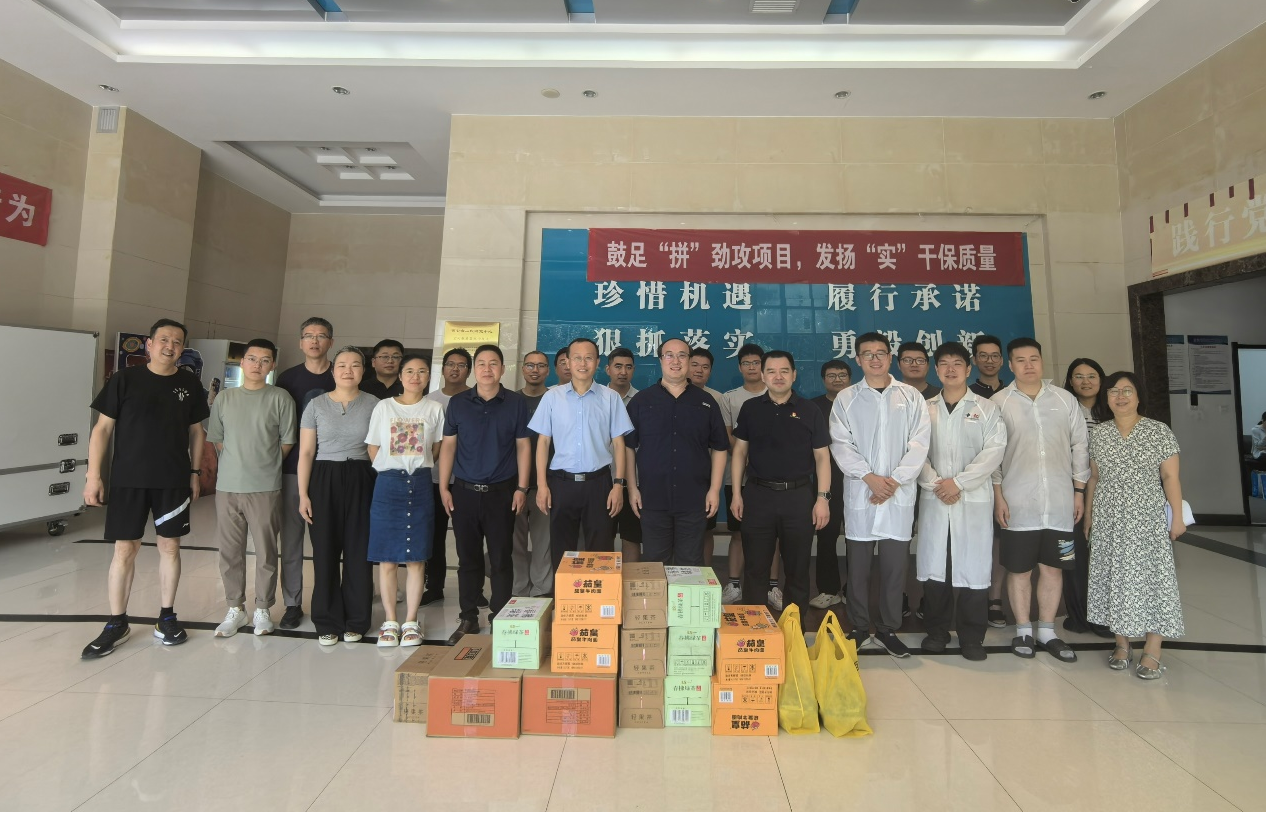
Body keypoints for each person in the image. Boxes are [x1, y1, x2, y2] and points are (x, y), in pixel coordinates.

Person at [81, 319, 209, 659]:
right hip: (128, 479)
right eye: (164, 339)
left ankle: (166, 617)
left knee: (170, 547)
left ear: (183, 349)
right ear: (149, 344)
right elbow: (102, 430)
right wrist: (93, 475)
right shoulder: (124, 380)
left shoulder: (189, 384)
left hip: (172, 480)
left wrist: (195, 473)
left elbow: (197, 432)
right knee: (125, 550)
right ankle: (117, 623)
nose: (170, 346)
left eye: (177, 342)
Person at [830, 332, 930, 658]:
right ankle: (859, 627)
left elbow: (920, 443)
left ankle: (888, 629)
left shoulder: (911, 396)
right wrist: (869, 478)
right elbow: (841, 443)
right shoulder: (846, 398)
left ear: (890, 358)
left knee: (894, 569)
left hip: (897, 496)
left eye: (881, 353)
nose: (875, 359)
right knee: (858, 569)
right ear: (858, 359)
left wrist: (894, 481)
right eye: (867, 354)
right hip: (862, 493)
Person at [992, 337, 1089, 663]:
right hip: (1017, 502)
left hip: (1060, 502)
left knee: (1053, 569)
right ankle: (1023, 629)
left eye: (1034, 358)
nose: (1028, 365)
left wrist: (1078, 492)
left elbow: (1080, 446)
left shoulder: (1064, 399)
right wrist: (998, 496)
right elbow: (993, 455)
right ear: (1010, 365)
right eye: (1020, 360)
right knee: (1019, 570)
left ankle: (1047, 631)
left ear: (1042, 361)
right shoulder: (999, 402)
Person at [1085, 372, 1186, 680]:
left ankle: (1153, 648)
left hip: (1147, 519)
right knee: (1113, 577)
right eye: (1113, 391)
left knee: (1154, 578)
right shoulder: (1100, 434)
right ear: (1106, 398)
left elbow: (1170, 477)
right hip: (1109, 518)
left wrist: (1177, 516)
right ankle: (1122, 643)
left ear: (1139, 396)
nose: (1120, 396)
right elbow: (1094, 478)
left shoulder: (1158, 431)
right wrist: (1089, 516)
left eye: (1127, 390)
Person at [916, 342, 1007, 662]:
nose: (950, 369)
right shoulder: (923, 408)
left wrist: (959, 483)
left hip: (972, 499)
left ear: (969, 369)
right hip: (936, 498)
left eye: (957, 363)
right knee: (935, 569)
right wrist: (937, 484)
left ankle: (972, 637)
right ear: (936, 370)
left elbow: (994, 451)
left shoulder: (987, 408)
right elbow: (914, 452)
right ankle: (937, 632)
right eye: (944, 363)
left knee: (974, 569)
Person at [730, 350, 831, 626]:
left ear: (794, 375)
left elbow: (822, 457)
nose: (778, 376)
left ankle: (794, 630)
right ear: (763, 376)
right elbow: (739, 452)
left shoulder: (810, 410)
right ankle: (755, 629)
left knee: (797, 569)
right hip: (758, 496)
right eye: (771, 371)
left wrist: (822, 498)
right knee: (755, 568)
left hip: (798, 498)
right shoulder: (751, 408)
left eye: (784, 371)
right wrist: (737, 493)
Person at [439, 344, 531, 644]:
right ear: (473, 369)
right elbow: (449, 446)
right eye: (481, 363)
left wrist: (522, 488)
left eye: (493, 363)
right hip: (464, 491)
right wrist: (444, 486)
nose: (487, 369)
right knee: (467, 558)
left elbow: (523, 446)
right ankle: (468, 617)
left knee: (501, 557)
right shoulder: (458, 403)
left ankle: (499, 614)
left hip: (502, 492)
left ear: (503, 369)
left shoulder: (516, 403)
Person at [207, 339, 295, 638]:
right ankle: (235, 608)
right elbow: (219, 440)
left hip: (265, 487)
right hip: (228, 487)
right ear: (242, 362)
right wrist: (238, 463)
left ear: (272, 365)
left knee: (266, 552)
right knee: (229, 552)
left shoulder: (280, 398)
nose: (258, 365)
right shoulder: (225, 398)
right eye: (252, 359)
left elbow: (287, 441)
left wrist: (263, 464)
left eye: (265, 360)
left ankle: (263, 609)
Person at [297, 346, 378, 645]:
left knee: (359, 552)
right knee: (324, 552)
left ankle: (357, 620)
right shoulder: (315, 405)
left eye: (355, 365)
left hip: (362, 476)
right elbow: (306, 452)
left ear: (363, 371)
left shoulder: (375, 405)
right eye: (342, 364)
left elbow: (379, 449)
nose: (348, 370)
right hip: (323, 479)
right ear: (332, 370)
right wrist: (303, 494)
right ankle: (327, 620)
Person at [530, 337, 634, 568]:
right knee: (562, 552)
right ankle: (564, 593)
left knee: (601, 552)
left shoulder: (610, 398)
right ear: (567, 362)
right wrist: (542, 486)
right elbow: (543, 443)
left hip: (599, 484)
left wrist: (618, 485)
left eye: (589, 358)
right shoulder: (552, 397)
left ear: (597, 363)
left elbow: (619, 444)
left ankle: (600, 592)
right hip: (561, 484)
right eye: (577, 358)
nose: (583, 363)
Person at [626, 339, 729, 566]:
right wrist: (632, 488)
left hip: (694, 500)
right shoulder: (642, 401)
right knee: (654, 563)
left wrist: (714, 490)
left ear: (689, 361)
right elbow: (628, 447)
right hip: (652, 498)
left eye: (682, 355)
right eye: (669, 355)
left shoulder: (705, 402)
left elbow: (720, 448)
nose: (676, 361)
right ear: (660, 360)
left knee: (690, 564)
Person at [365, 353, 443, 648]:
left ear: (428, 377)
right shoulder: (384, 407)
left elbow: (436, 448)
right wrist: (393, 468)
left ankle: (410, 621)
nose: (415, 376)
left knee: (416, 557)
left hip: (420, 484)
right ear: (400, 376)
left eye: (422, 371)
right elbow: (373, 447)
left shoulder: (435, 408)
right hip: (388, 485)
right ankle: (390, 620)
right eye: (409, 371)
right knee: (386, 558)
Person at [275, 317, 336, 629]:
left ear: (331, 342)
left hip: (329, 471)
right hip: (291, 469)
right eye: (309, 336)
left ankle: (329, 600)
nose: (314, 341)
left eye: (321, 336)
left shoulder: (342, 374)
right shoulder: (287, 379)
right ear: (300, 342)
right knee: (291, 541)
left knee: (330, 541)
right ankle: (292, 603)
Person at [1060, 358, 1112, 637]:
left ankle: (1104, 617)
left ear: (1101, 379)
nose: (1085, 381)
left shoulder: (1113, 410)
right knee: (1074, 555)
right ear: (1070, 381)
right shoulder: (1063, 408)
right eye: (1078, 376)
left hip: (1108, 492)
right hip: (1071, 491)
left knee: (1104, 556)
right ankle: (1078, 615)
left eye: (1092, 376)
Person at [420, 347, 474, 608]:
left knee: (468, 537)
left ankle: (473, 590)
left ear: (469, 371)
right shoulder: (428, 401)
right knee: (434, 534)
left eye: (461, 365)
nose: (455, 369)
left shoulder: (476, 398)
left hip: (465, 479)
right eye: (450, 364)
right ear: (442, 369)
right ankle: (434, 586)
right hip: (432, 479)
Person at [720, 344, 770, 606]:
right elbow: (728, 434)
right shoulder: (729, 398)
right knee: (738, 533)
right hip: (737, 477)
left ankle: (772, 587)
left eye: (756, 362)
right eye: (747, 363)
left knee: (773, 535)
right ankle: (734, 585)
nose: (752, 367)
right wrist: (745, 456)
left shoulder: (776, 393)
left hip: (771, 478)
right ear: (739, 367)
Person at [969, 334, 1009, 628]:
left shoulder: (1013, 393)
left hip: (1012, 478)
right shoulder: (967, 395)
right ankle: (973, 596)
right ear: (974, 360)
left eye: (995, 355)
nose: (989, 360)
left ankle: (994, 598)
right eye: (983, 355)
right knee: (976, 540)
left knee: (1000, 541)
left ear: (1002, 360)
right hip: (976, 479)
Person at [810, 359, 851, 609]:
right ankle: (828, 589)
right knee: (826, 537)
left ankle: (853, 590)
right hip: (826, 483)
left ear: (850, 379)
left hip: (859, 482)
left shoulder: (860, 403)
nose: (837, 379)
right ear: (824, 379)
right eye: (832, 375)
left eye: (842, 375)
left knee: (857, 540)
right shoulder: (813, 407)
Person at [513, 351, 553, 597]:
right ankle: (518, 590)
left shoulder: (556, 399)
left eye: (540, 366)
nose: (535, 370)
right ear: (522, 369)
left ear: (548, 370)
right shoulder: (511, 400)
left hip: (546, 485)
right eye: (530, 365)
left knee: (543, 543)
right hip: (514, 485)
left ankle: (541, 592)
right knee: (514, 542)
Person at [606, 348, 644, 562]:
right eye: (618, 366)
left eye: (628, 367)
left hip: (633, 482)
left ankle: (631, 580)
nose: (623, 372)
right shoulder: (597, 397)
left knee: (632, 537)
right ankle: (606, 582)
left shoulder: (643, 400)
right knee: (604, 536)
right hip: (602, 480)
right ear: (608, 369)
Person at [688, 347, 725, 566]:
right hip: (676, 476)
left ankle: (706, 575)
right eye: (694, 365)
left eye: (705, 367)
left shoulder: (716, 399)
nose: (699, 370)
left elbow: (720, 443)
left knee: (706, 529)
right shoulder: (668, 396)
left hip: (705, 476)